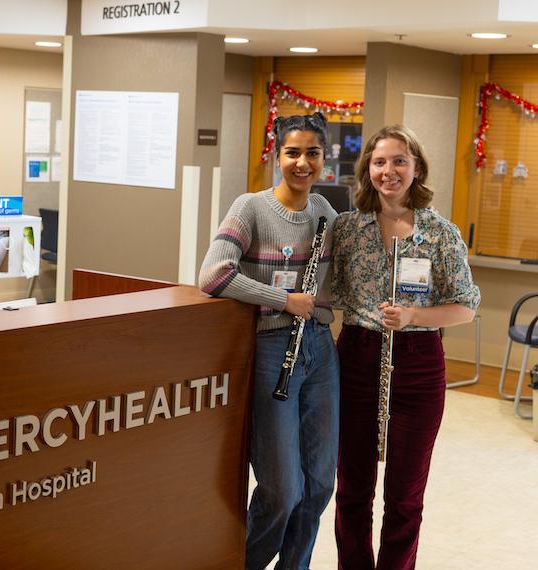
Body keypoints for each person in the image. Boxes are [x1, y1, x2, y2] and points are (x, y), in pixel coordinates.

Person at [330, 124, 481, 570]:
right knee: (353, 488)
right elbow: (331, 293)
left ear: (416, 168)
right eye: (379, 162)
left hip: (418, 365)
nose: (389, 171)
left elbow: (465, 307)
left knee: (405, 494)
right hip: (357, 356)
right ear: (367, 170)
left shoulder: (440, 232)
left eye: (399, 161)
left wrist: (415, 316)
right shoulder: (347, 228)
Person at [198, 112, 339, 570]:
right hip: (272, 350)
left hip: (319, 350)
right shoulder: (250, 208)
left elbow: (337, 281)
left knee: (319, 485)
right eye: (293, 152)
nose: (303, 162)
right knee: (282, 490)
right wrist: (284, 299)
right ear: (277, 155)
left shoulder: (326, 214)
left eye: (312, 153)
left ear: (324, 158)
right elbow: (214, 275)